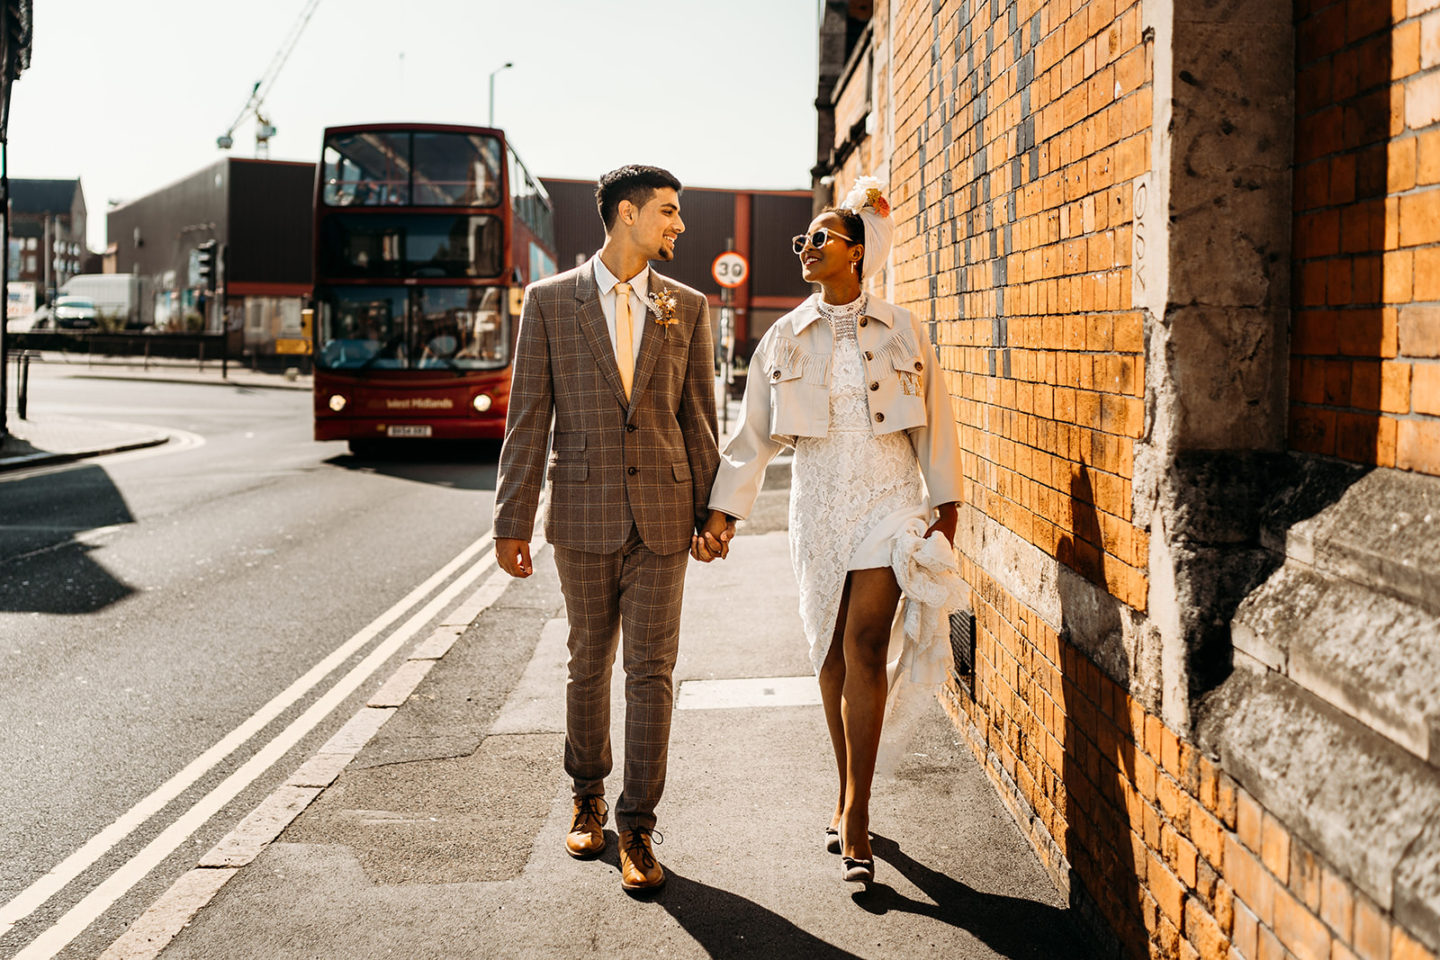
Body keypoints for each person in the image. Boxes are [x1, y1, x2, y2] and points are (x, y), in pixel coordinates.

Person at [696, 177, 964, 884]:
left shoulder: (903, 328)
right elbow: (752, 434)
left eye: (819, 238)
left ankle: (857, 813)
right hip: (817, 502)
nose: (805, 248)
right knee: (830, 652)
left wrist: (949, 505)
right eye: (803, 240)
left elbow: (936, 418)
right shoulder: (786, 336)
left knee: (866, 642)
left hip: (889, 497)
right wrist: (724, 513)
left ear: (857, 253)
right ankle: (847, 785)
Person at [494, 165, 719, 893]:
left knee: (651, 672)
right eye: (668, 212)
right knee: (587, 661)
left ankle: (638, 825)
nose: (677, 225)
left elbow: (700, 420)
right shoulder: (552, 302)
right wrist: (512, 518)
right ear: (627, 214)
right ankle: (586, 793)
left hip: (664, 515)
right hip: (582, 516)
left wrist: (718, 512)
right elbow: (530, 415)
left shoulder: (687, 305)